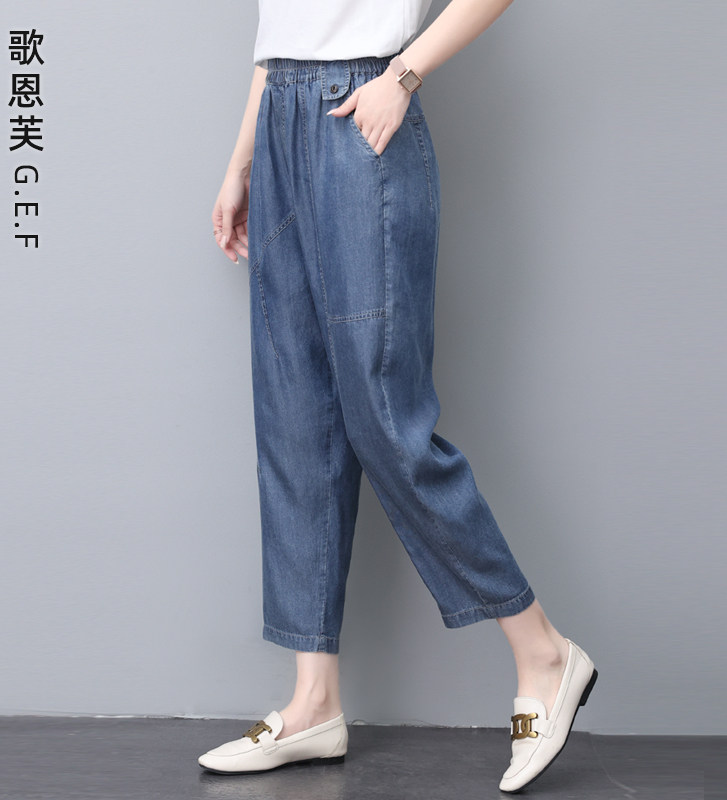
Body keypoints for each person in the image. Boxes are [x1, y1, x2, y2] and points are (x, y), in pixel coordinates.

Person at [199, 0, 597, 792]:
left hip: (360, 116)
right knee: (294, 418)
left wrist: (404, 75)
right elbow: (281, 32)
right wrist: (243, 159)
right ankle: (314, 704)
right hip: (279, 118)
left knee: (384, 418)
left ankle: (544, 651)